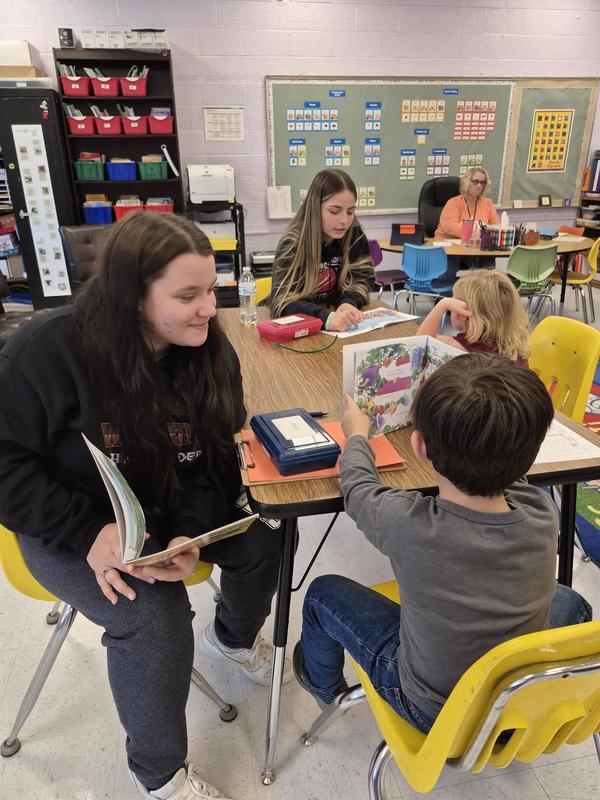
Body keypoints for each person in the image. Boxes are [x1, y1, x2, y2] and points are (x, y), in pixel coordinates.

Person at [0, 212, 290, 800]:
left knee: (269, 533)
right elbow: (6, 466)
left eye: (211, 288)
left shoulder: (208, 353)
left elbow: (215, 462)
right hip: (69, 525)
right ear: (132, 297)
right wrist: (88, 532)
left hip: (171, 513)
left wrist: (189, 533)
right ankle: (160, 777)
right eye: (188, 295)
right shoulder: (46, 350)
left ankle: (232, 638)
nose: (209, 307)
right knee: (154, 618)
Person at [292, 355, 592, 731]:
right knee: (570, 601)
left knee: (322, 595)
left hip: (432, 710)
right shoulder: (541, 511)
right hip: (516, 702)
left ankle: (322, 683)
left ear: (419, 446)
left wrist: (356, 436)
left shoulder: (409, 524)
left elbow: (357, 489)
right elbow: (502, 463)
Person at [270, 169, 374, 332]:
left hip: (337, 324)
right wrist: (326, 319)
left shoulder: (353, 234)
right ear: (315, 208)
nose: (344, 221)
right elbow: (282, 301)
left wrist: (348, 303)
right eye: (334, 211)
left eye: (350, 211)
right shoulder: (293, 242)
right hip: (301, 330)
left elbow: (361, 281)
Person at [416, 269, 530, 366]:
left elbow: (420, 344)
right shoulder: (516, 345)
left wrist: (442, 305)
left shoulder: (461, 348)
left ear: (463, 313)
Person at [434, 166, 500, 282]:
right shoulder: (453, 202)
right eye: (475, 181)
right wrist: (478, 230)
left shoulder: (488, 204)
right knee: (448, 266)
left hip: (475, 248)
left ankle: (482, 295)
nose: (479, 185)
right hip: (451, 248)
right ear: (466, 182)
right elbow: (449, 226)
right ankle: (445, 295)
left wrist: (480, 231)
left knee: (488, 264)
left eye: (482, 182)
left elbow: (496, 228)